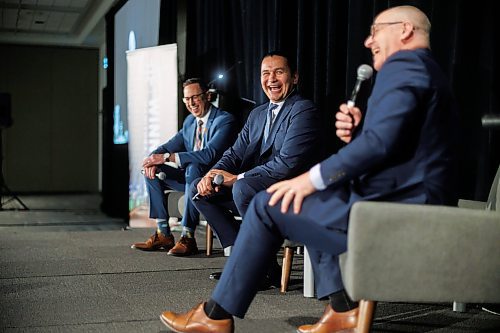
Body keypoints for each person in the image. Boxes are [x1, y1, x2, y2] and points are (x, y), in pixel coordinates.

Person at [159, 5, 458, 333]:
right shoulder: (421, 70)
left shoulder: (406, 67)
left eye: (376, 30)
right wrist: (360, 132)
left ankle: (216, 315)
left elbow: (378, 147)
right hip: (395, 195)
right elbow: (396, 143)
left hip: (403, 204)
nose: (368, 39)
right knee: (299, 205)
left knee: (269, 203)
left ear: (404, 30)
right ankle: (342, 310)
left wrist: (311, 180)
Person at [189, 51, 322, 282]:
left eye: (279, 72)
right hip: (255, 190)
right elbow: (234, 153)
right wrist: (211, 175)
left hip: (289, 193)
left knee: (243, 188)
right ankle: (247, 262)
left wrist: (237, 178)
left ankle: (259, 268)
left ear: (295, 77)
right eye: (266, 73)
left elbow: (286, 165)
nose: (271, 79)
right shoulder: (257, 114)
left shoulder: (303, 110)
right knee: (197, 190)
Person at [131, 78, 237, 256]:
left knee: (194, 166)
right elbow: (168, 146)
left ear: (207, 96)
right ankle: (163, 233)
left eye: (195, 97)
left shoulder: (224, 120)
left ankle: (188, 236)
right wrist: (151, 159)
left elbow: (209, 155)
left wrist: (166, 157)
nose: (191, 103)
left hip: (213, 183)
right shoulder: (190, 122)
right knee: (154, 171)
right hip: (190, 179)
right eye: (187, 99)